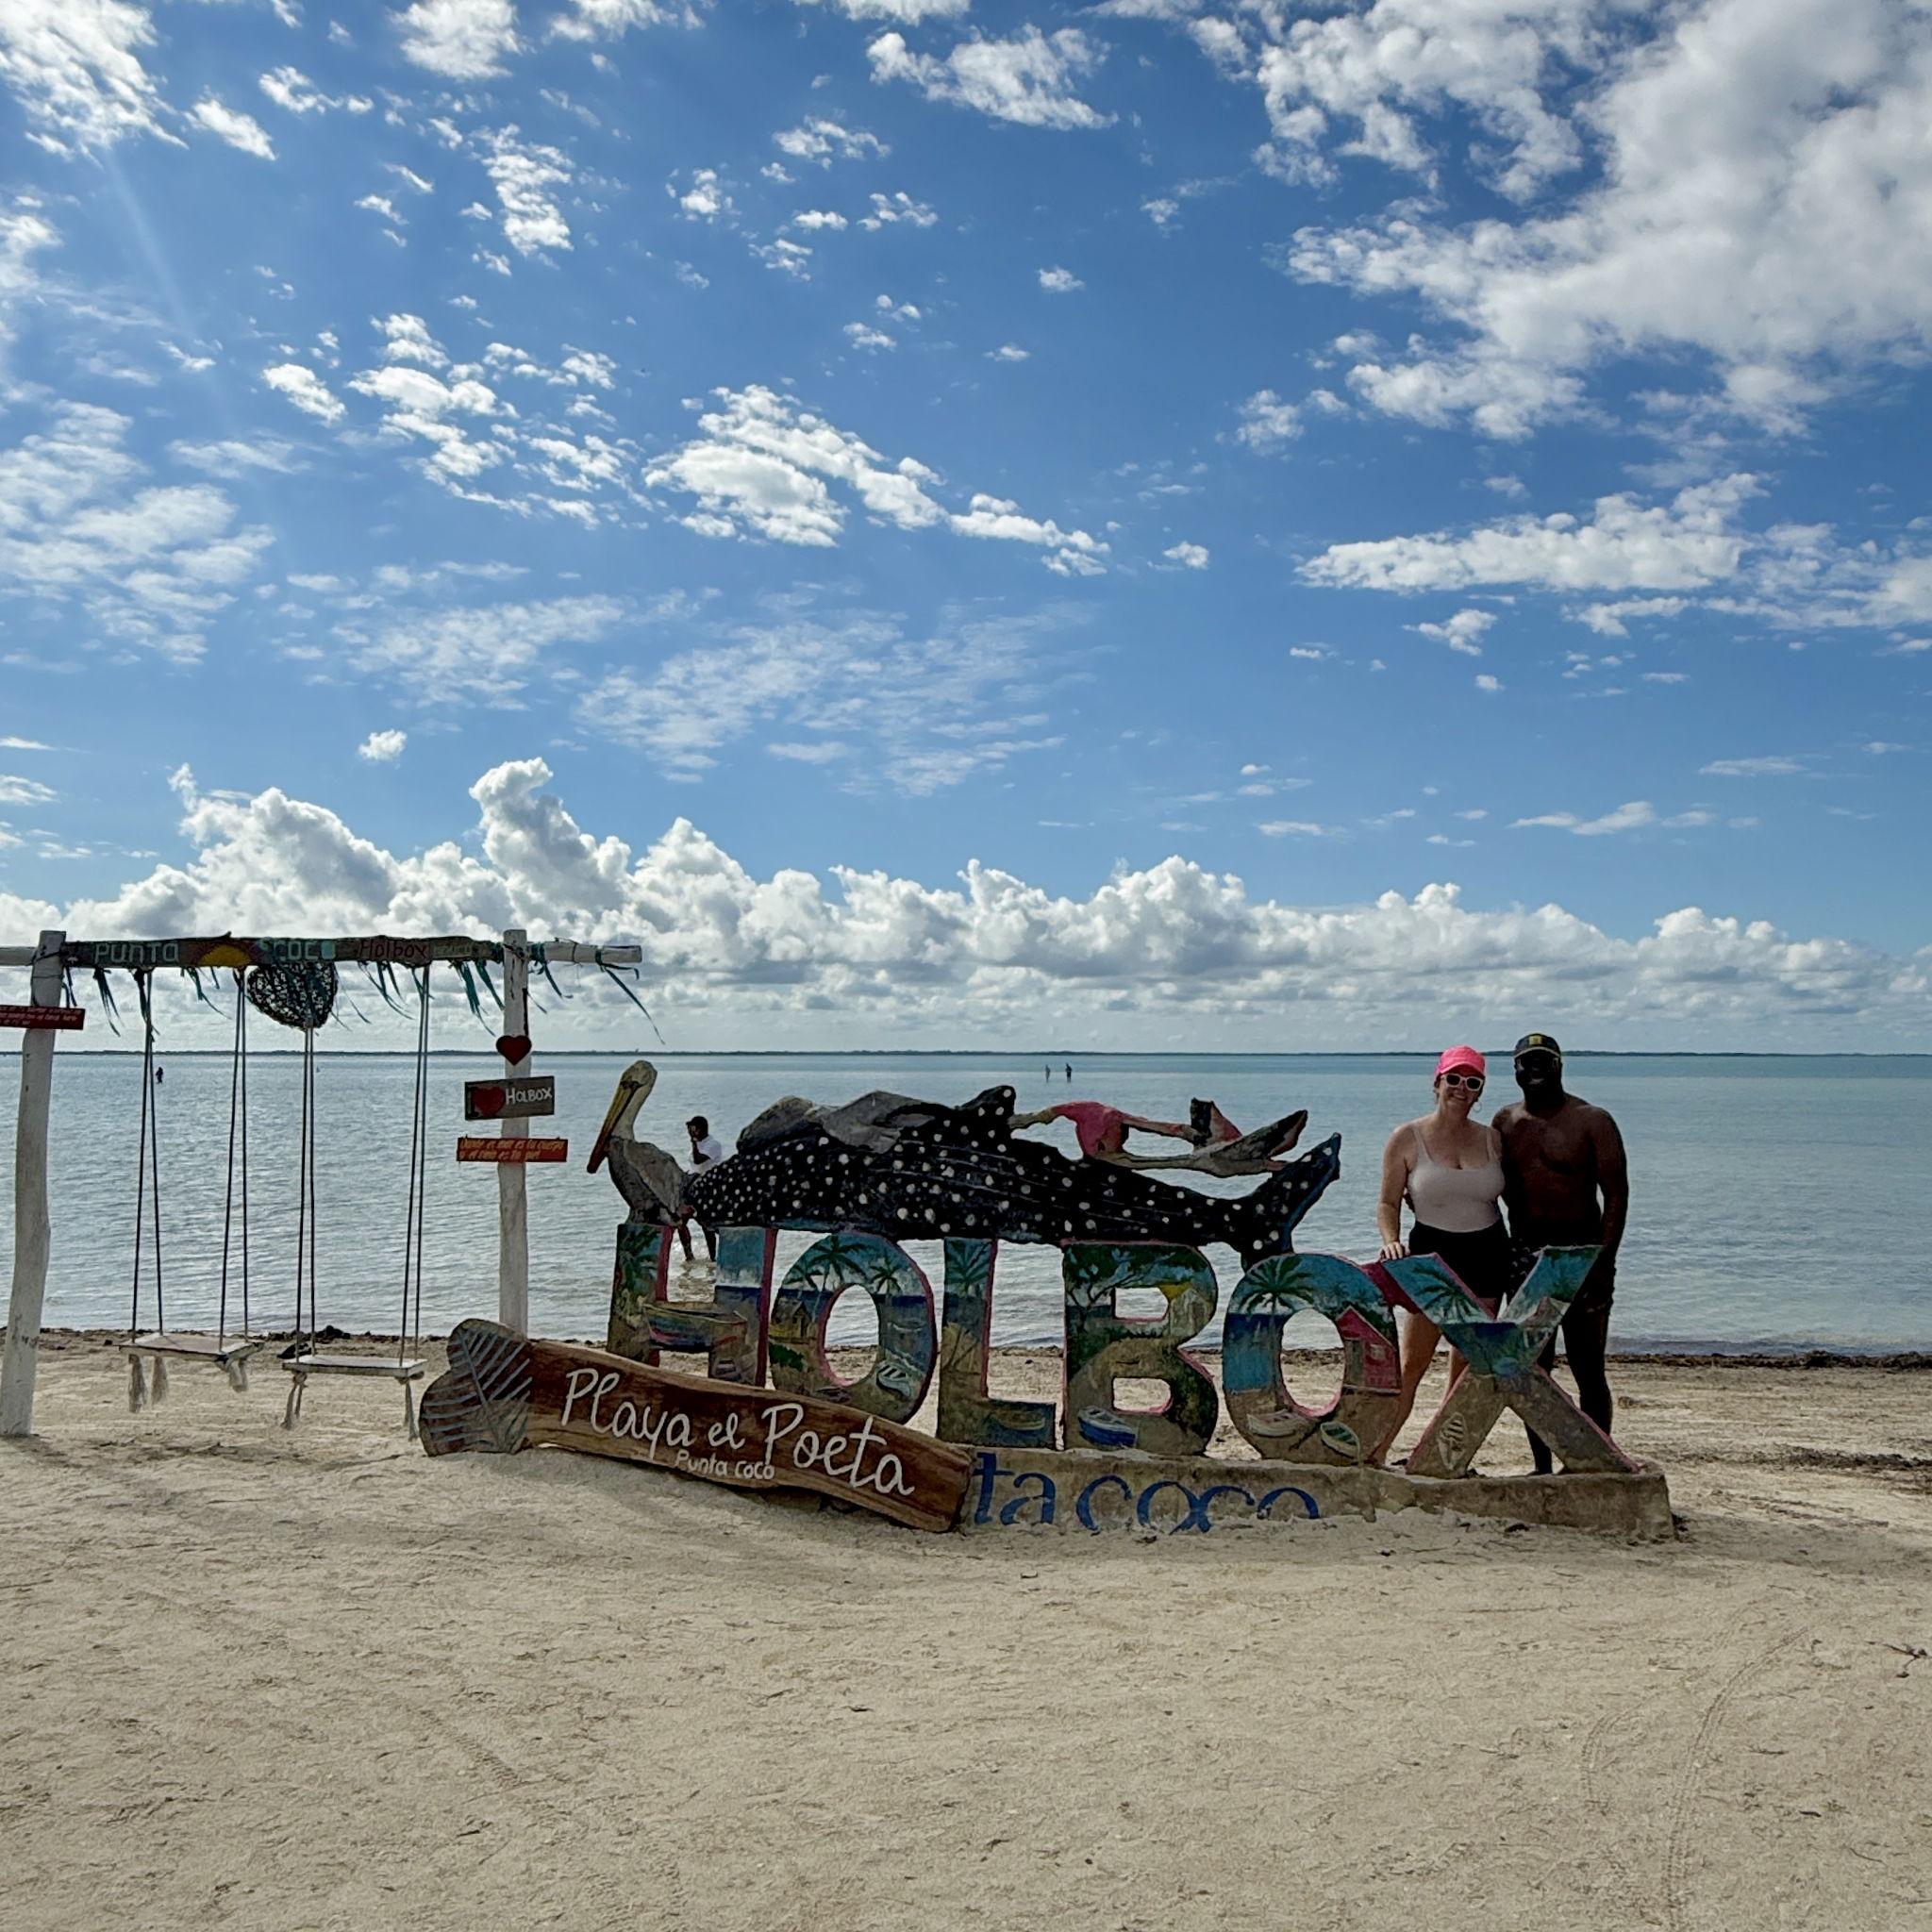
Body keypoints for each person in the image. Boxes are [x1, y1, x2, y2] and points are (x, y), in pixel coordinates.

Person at [1371, 1046, 1512, 1464]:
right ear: (1437, 1083)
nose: (1461, 1089)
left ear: (1480, 1091)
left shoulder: (1493, 1139)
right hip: (1432, 1253)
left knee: (1466, 1368)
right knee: (1412, 1364)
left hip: (1488, 1252)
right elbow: (1387, 1203)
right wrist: (1391, 1240)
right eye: (1454, 1079)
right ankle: (1376, 1454)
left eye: (1472, 1082)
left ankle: (1443, 1458)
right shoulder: (1406, 1137)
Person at [1494, 1033, 1628, 1472]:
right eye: (1525, 1063)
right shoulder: (1505, 1123)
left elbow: (1616, 1195)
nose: (1534, 1070)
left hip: (1582, 1254)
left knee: (1588, 1368)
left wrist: (1602, 1257)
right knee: (1534, 1370)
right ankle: (1542, 1467)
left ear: (1560, 1066)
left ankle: (1593, 1464)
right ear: (1514, 1070)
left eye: (1543, 1062)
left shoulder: (1592, 1120)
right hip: (1526, 1257)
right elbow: (1480, 1184)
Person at [681, 1114, 724, 1262]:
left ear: (700, 1129)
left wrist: (693, 1142)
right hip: (694, 1184)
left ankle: (713, 1257)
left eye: (693, 1128)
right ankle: (689, 1256)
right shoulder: (698, 1145)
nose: (691, 1131)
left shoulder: (713, 1144)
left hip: (708, 1186)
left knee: (707, 1225)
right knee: (681, 1219)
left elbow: (698, 1160)